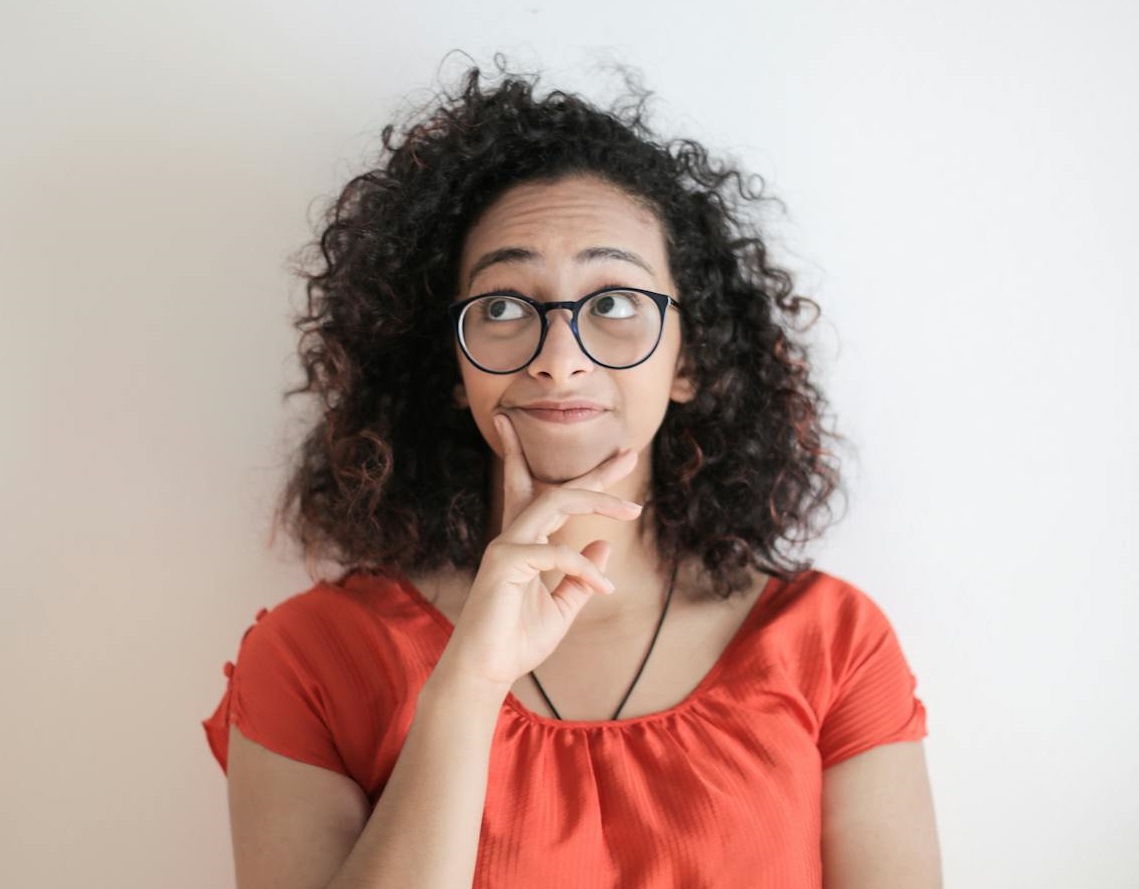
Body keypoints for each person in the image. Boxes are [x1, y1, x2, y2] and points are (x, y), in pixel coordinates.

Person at [202, 58, 942, 889]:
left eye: (615, 304)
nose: (559, 360)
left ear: (688, 356)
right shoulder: (311, 659)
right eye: (505, 306)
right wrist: (470, 682)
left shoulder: (831, 644)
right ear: (455, 365)